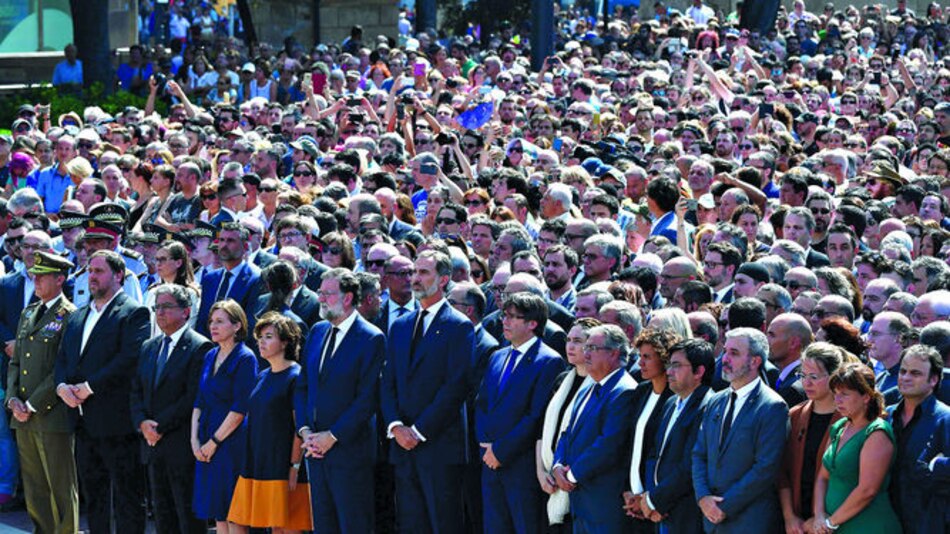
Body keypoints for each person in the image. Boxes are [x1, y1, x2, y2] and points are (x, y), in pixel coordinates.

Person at [54, 249, 151, 533]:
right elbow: (63, 357)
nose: (91, 277)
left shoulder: (134, 312)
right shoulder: (78, 313)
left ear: (118, 275)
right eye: (89, 271)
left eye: (98, 271)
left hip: (116, 421)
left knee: (126, 497)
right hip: (82, 422)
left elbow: (129, 359)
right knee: (94, 496)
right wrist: (61, 387)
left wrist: (88, 387)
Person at [380, 250, 475, 533]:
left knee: (443, 523)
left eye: (423, 273)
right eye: (413, 272)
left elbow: (456, 387)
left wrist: (419, 431)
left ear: (444, 279)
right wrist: (396, 426)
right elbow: (388, 381)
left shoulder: (458, 326)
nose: (414, 279)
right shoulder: (400, 325)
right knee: (410, 523)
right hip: (402, 447)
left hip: (438, 447)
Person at [294, 268, 385, 534]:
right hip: (315, 451)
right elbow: (302, 387)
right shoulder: (318, 331)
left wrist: (332, 436)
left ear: (347, 298)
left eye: (327, 293)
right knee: (324, 525)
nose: (320, 298)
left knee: (353, 524)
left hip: (350, 452)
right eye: (320, 292)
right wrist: (306, 431)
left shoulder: (371, 337)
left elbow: (368, 398)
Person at [475, 292, 564, 533]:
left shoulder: (549, 361)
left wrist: (501, 451)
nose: (505, 321)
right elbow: (482, 403)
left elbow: (536, 416)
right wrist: (486, 445)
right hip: (490, 463)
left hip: (520, 466)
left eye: (514, 317)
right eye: (505, 315)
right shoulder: (498, 356)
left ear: (532, 323)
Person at [130, 283, 214, 534]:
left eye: (167, 307)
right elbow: (136, 390)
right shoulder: (149, 347)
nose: (160, 312)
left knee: (187, 516)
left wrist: (159, 426)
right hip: (152, 445)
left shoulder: (200, 347)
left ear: (186, 311)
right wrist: (142, 423)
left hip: (180, 445)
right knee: (162, 516)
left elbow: (192, 397)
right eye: (157, 307)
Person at [5, 251, 79, 533]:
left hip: (50, 412)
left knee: (60, 485)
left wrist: (32, 404)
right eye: (35, 274)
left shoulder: (69, 315)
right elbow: (16, 362)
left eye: (43, 275)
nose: (36, 279)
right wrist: (13, 399)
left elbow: (62, 367)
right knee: (35, 485)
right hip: (22, 412)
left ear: (60, 279)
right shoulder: (29, 312)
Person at [692, 328, 790, 532]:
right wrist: (703, 497)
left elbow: (765, 468)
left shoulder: (772, 406)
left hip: (748, 521)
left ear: (755, 361)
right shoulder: (716, 401)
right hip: (711, 520)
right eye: (725, 351)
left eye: (734, 353)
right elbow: (699, 453)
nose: (725, 359)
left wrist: (724, 506)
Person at [229, 312, 312, 533]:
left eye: (268, 336)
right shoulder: (262, 375)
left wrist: (294, 466)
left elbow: (299, 427)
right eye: (260, 337)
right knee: (237, 519)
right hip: (256, 461)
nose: (261, 342)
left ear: (285, 341)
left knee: (285, 526)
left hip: (282, 463)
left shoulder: (296, 376)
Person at [552, 324, 637, 534]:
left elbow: (608, 445)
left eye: (592, 348)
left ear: (614, 353)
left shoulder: (624, 391)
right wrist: (557, 465)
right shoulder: (588, 389)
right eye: (586, 347)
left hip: (603, 502)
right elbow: (567, 432)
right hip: (581, 500)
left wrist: (571, 476)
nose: (585, 353)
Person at [191, 299, 259, 534]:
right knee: (218, 512)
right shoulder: (210, 355)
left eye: (220, 321)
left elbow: (241, 408)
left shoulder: (246, 357)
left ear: (237, 325)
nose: (213, 326)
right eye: (211, 321)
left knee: (234, 512)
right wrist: (195, 441)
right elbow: (199, 399)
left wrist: (214, 442)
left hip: (231, 442)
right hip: (207, 435)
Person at [812, 363, 901, 533]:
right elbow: (823, 477)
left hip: (867, 526)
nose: (837, 400)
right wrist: (818, 515)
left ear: (866, 396)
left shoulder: (877, 432)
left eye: (844, 394)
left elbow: (867, 490)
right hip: (833, 526)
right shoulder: (839, 426)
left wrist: (830, 523)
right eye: (835, 393)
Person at [641, 338, 716, 534]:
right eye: (669, 365)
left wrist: (656, 501)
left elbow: (690, 464)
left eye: (676, 366)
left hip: (685, 513)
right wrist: (651, 499)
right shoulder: (671, 402)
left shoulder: (708, 406)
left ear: (699, 372)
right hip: (661, 510)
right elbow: (654, 454)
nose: (668, 372)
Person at [536, 318, 598, 532]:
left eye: (578, 341)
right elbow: (542, 430)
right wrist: (541, 472)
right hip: (549, 479)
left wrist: (563, 472)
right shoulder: (562, 379)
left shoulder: (599, 385)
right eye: (569, 340)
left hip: (575, 481)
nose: (570, 346)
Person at [778, 342, 847, 534]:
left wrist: (821, 519)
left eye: (814, 377)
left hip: (834, 521)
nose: (806, 383)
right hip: (797, 523)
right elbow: (782, 472)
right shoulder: (795, 415)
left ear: (834, 376)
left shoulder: (850, 419)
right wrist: (790, 517)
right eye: (803, 376)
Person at [885, 345, 950, 534]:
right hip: (888, 522)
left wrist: (935, 465)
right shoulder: (887, 415)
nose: (905, 377)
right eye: (903, 371)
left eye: (915, 373)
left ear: (934, 380)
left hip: (929, 523)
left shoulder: (945, 419)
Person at [622, 328, 678, 533]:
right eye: (639, 356)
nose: (640, 363)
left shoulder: (674, 399)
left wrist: (650, 499)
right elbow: (629, 443)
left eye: (647, 357)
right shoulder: (642, 391)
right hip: (632, 500)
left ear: (664, 359)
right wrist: (627, 490)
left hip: (657, 503)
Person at [195, 222, 263, 338]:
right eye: (221, 240)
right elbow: (202, 321)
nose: (224, 245)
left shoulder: (256, 278)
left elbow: (250, 325)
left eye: (230, 241)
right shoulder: (210, 279)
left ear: (245, 246)